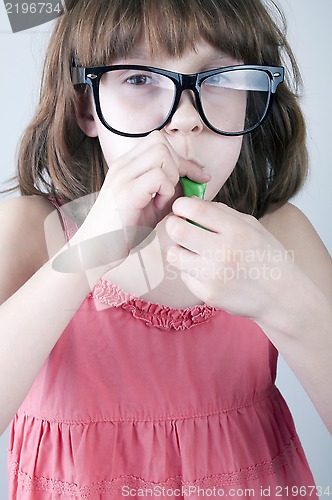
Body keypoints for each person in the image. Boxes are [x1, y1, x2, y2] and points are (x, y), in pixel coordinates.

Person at [0, 0, 331, 498]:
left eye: (218, 77)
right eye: (138, 78)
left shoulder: (280, 237)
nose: (183, 119)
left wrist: (288, 306)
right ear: (86, 107)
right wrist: (90, 250)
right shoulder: (28, 231)